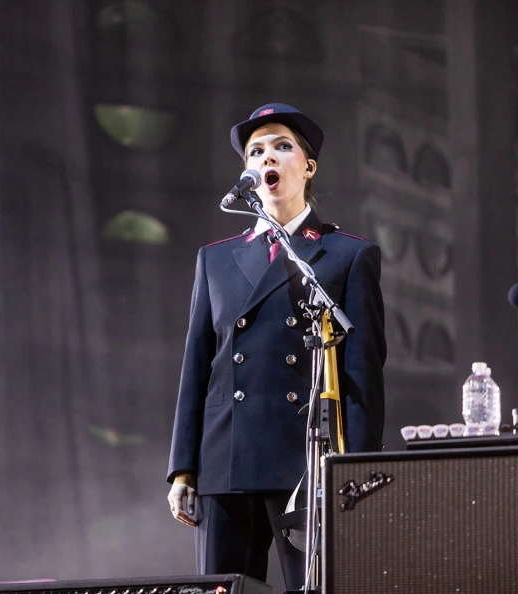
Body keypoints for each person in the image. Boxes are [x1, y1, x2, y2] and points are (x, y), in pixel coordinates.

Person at [165, 103, 387, 588]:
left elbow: (362, 375)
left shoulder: (347, 254)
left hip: (306, 464)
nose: (267, 158)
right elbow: (198, 366)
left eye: (282, 146)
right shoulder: (216, 260)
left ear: (307, 166)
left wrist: (358, 472)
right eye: (256, 151)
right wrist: (184, 468)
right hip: (225, 463)